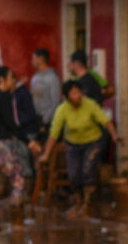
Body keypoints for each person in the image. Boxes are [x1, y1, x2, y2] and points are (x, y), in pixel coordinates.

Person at [46, 79, 115, 210]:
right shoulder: (62, 109)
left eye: (79, 92)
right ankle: (78, 201)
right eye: (73, 93)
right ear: (67, 97)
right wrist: (46, 154)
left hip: (92, 142)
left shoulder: (90, 104)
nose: (78, 95)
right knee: (73, 174)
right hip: (73, 144)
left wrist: (114, 134)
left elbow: (105, 121)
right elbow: (54, 133)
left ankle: (87, 204)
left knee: (88, 170)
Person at [0, 64, 35, 207]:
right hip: (0, 147)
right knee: (17, 177)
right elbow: (11, 125)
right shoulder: (5, 97)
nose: (14, 81)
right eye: (11, 78)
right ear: (2, 80)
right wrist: (29, 142)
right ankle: (17, 213)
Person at [27, 49, 62, 132]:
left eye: (34, 58)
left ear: (41, 59)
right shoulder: (34, 78)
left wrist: (46, 121)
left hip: (48, 121)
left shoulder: (53, 78)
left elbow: (56, 102)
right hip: (36, 119)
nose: (32, 61)